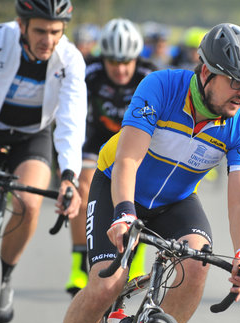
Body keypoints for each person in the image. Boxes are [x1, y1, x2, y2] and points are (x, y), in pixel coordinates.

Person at [41, 22, 240, 323]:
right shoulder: (162, 87)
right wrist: (125, 213)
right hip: (116, 184)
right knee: (106, 285)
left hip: (175, 201)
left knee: (196, 265)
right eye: (236, 82)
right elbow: (127, 159)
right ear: (207, 72)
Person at [0, 0, 85, 323]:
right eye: (40, 31)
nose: (48, 39)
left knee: (29, 203)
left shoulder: (70, 60)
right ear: (21, 25)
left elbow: (72, 120)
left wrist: (69, 176)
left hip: (32, 134)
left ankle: (4, 277)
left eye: (56, 31)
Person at [65, 18, 158, 296]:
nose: (120, 69)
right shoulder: (89, 72)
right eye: (113, 62)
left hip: (136, 144)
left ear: (136, 58)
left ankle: (136, 259)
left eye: (126, 62)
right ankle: (79, 263)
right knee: (83, 188)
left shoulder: (149, 74)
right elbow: (73, 114)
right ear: (102, 57)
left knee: (140, 192)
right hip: (97, 141)